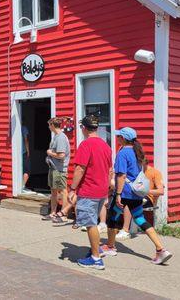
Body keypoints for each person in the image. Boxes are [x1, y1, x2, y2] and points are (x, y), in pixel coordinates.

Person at [102, 127, 172, 265]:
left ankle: (110, 246)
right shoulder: (137, 151)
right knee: (140, 219)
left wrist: (118, 194)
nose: (117, 138)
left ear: (123, 139)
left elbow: (121, 175)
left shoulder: (123, 153)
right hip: (136, 193)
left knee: (113, 218)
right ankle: (161, 249)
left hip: (125, 193)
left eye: (119, 136)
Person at [68, 115, 112, 270]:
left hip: (89, 190)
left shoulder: (85, 145)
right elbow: (109, 170)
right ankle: (97, 249)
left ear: (84, 128)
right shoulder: (106, 146)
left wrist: (73, 188)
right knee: (92, 222)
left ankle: (96, 259)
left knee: (90, 224)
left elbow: (80, 168)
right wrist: (106, 191)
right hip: (101, 190)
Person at [42, 118, 73, 223]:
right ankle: (53, 213)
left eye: (49, 125)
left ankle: (63, 215)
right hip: (53, 168)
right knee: (53, 191)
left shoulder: (61, 138)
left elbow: (61, 155)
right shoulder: (56, 136)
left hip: (59, 169)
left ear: (52, 125)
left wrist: (50, 153)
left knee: (63, 191)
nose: (48, 127)